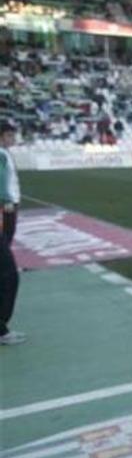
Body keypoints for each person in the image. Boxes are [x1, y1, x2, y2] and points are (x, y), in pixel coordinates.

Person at [0, 122, 23, 345]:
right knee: (8, 275)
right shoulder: (1, 155)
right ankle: (1, 329)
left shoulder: (5, 154)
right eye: (8, 135)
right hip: (5, 210)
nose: (12, 138)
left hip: (8, 207)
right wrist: (7, 201)